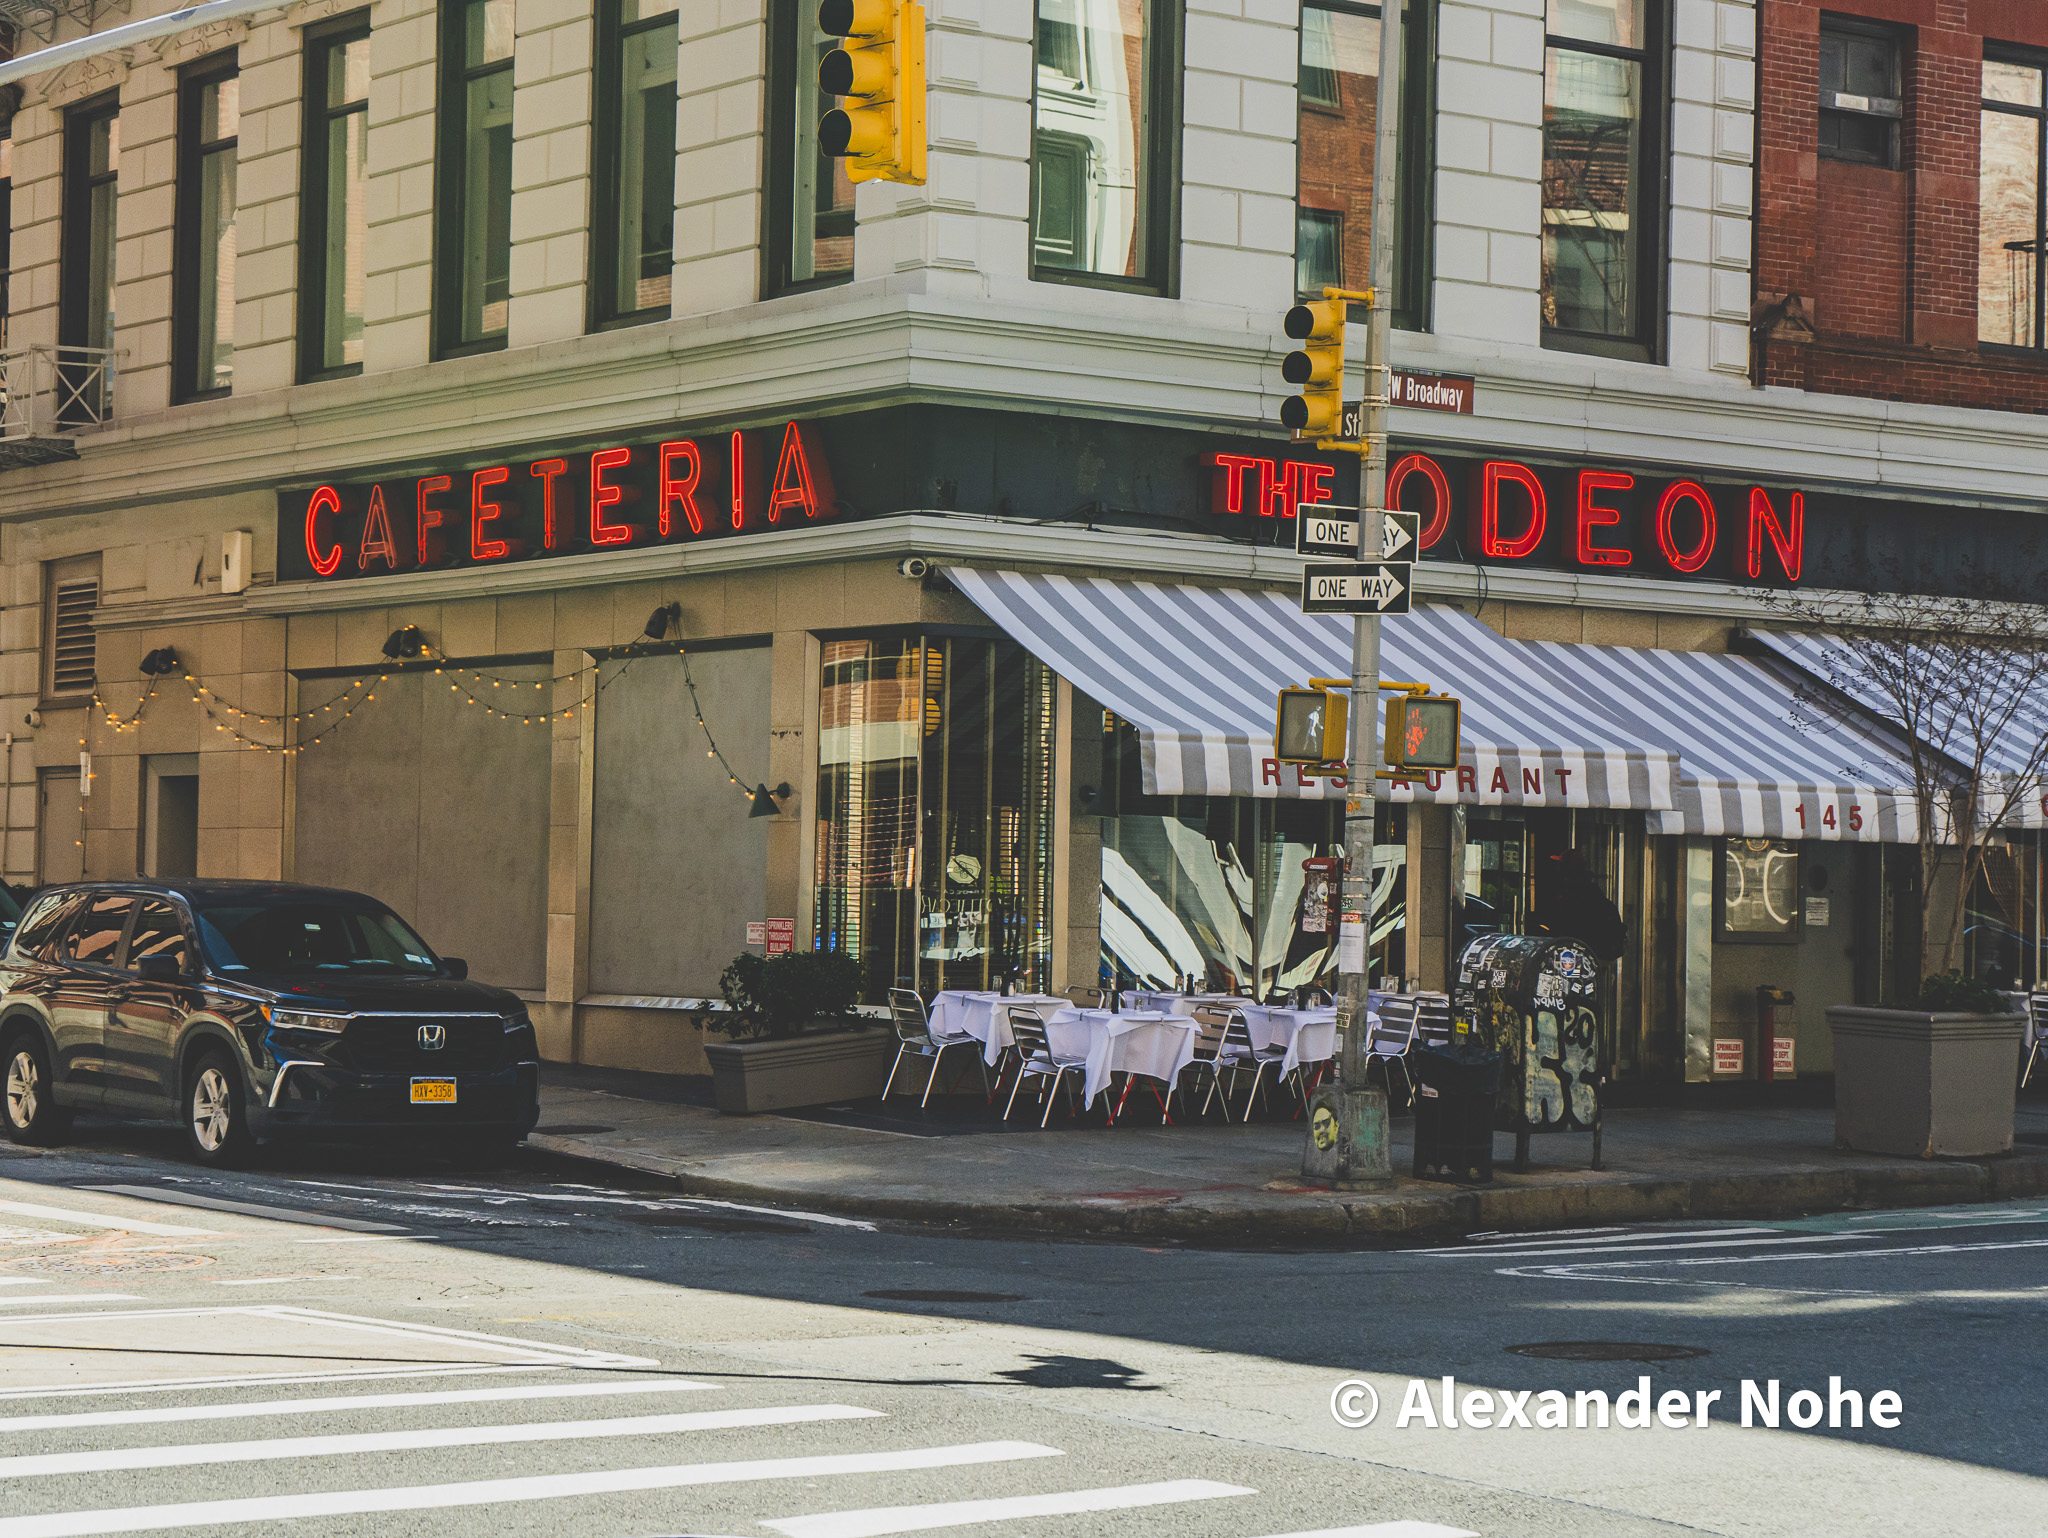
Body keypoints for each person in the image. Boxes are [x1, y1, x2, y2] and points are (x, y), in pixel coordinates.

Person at [1531, 847, 1625, 961]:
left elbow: (1563, 930)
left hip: (1574, 958)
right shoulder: (1596, 897)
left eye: (1560, 866)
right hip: (1592, 959)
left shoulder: (1572, 899)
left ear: (1565, 871)